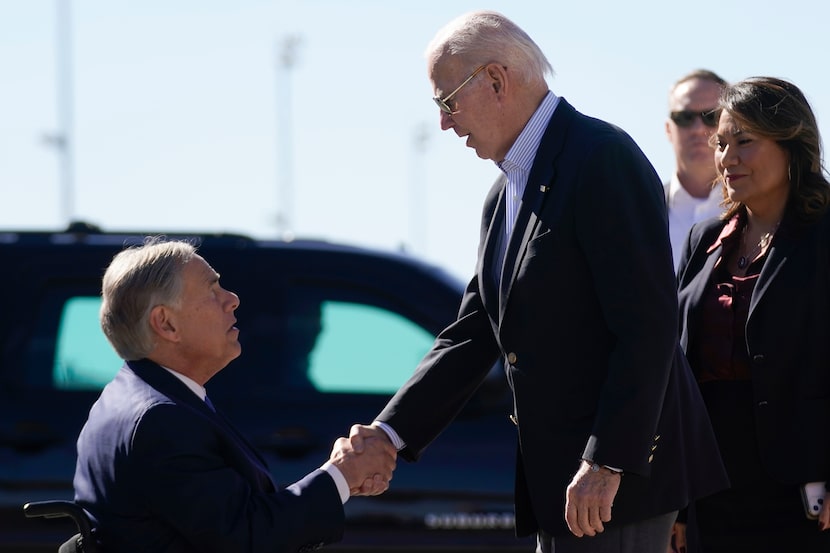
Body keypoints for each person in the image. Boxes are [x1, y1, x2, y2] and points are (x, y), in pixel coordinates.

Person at [349, 10, 727, 553]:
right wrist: (387, 434)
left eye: (446, 100)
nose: (445, 123)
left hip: (617, 484)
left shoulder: (601, 159)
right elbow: (473, 333)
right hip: (562, 484)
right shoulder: (503, 196)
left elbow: (647, 325)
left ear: (497, 80)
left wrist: (606, 459)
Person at [73, 237, 397, 553]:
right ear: (166, 323)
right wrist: (343, 473)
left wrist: (342, 477)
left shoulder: (132, 398)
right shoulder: (160, 419)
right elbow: (247, 538)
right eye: (212, 290)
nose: (232, 299)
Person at [675, 76, 830, 552]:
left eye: (745, 142)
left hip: (801, 493)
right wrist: (676, 504)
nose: (727, 159)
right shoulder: (704, 241)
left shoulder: (824, 236)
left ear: (792, 143)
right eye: (721, 144)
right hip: (709, 489)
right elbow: (678, 373)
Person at [665, 69, 728, 270]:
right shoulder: (640, 208)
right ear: (668, 129)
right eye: (684, 117)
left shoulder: (758, 211)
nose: (698, 129)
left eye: (710, 116)